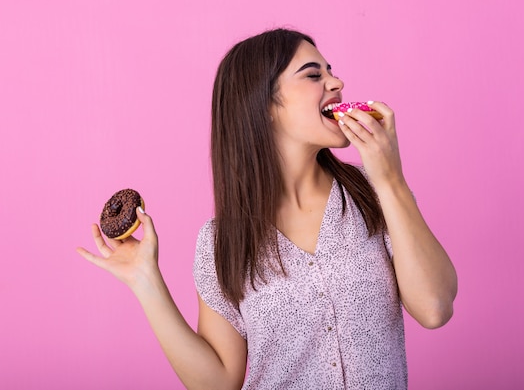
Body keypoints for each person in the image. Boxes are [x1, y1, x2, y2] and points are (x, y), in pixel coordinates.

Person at [77, 28, 457, 390]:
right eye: (313, 75)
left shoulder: (375, 196)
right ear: (265, 106)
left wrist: (391, 179)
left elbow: (435, 308)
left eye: (331, 71)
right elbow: (217, 382)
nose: (336, 83)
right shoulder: (221, 241)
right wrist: (146, 282)